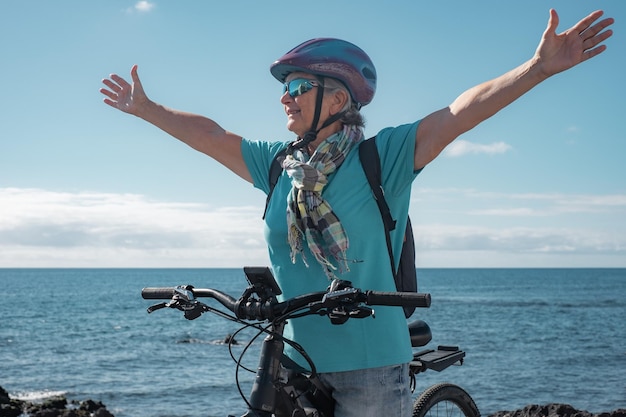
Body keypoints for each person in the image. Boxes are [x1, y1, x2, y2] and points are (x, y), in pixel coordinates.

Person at [100, 9, 613, 417]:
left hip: (369, 364)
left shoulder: (381, 158)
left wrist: (539, 67)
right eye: (285, 88)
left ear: (338, 96)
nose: (286, 98)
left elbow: (458, 113)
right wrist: (147, 110)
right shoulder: (280, 166)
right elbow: (211, 135)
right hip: (297, 358)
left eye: (299, 86)